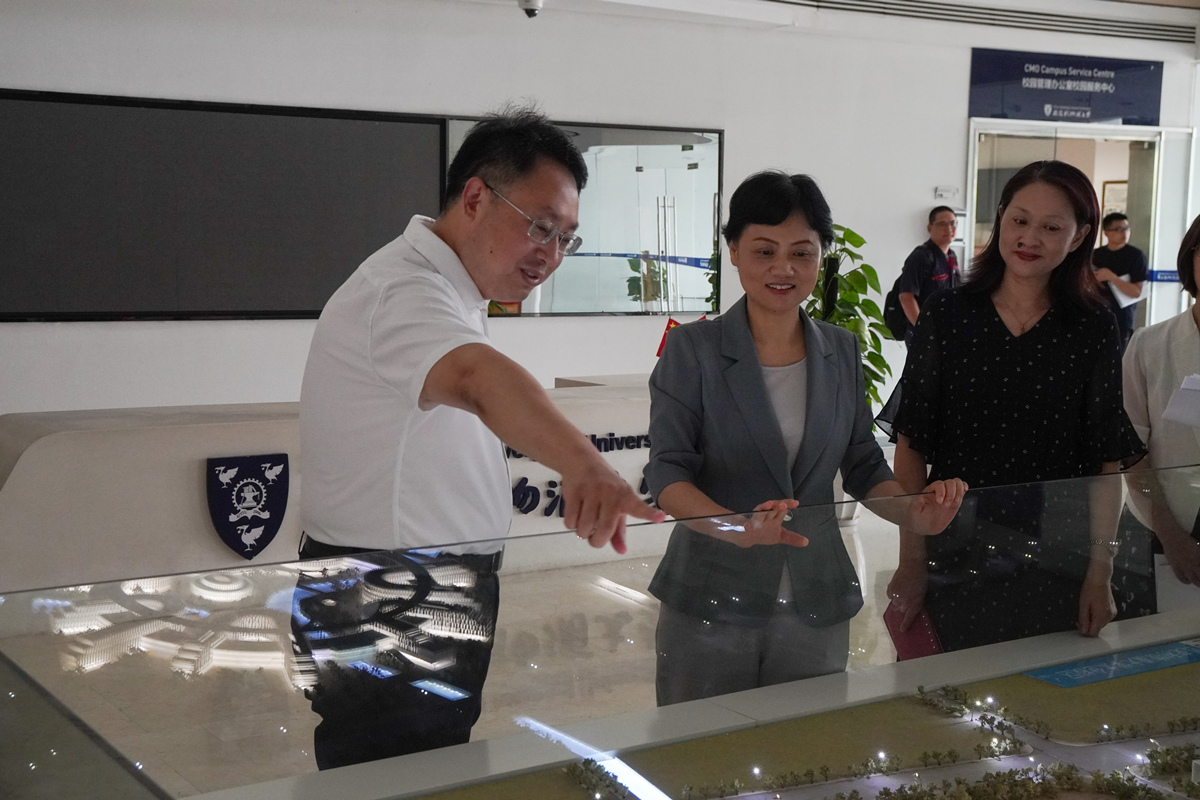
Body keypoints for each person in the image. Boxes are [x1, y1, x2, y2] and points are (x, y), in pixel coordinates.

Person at [295, 106, 664, 768]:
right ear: (475, 197)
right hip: (394, 591)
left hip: (416, 583)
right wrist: (585, 465)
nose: (551, 254)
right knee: (397, 774)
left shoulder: (446, 288)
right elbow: (478, 378)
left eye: (566, 238)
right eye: (540, 227)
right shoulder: (402, 291)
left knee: (425, 761)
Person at [644, 170, 966, 706]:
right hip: (710, 593)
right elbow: (667, 472)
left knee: (805, 742)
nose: (783, 268)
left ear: (821, 257)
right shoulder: (692, 350)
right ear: (733, 251)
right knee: (701, 746)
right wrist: (735, 527)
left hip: (817, 596)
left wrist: (913, 512)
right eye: (764, 251)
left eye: (801, 253)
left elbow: (862, 462)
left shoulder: (840, 349)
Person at [882, 160, 1146, 653]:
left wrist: (1100, 572)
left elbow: (1105, 465)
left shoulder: (1092, 327)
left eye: (1051, 227)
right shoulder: (948, 314)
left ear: (1079, 235)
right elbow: (911, 448)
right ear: (1001, 217)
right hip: (955, 543)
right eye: (1020, 220)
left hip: (1059, 552)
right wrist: (911, 561)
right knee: (947, 690)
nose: (1030, 238)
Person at [1123, 213, 1200, 590]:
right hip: (1165, 524)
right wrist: (1171, 535)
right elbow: (1130, 450)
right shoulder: (1149, 345)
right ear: (1191, 257)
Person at [895, 206, 961, 340]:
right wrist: (925, 330)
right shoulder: (920, 256)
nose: (949, 228)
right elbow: (906, 296)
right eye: (942, 224)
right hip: (925, 334)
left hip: (946, 330)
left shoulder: (951, 256)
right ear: (930, 228)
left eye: (952, 223)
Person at [1093, 212, 1149, 351]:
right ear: (1106, 233)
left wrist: (1112, 277)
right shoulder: (1095, 255)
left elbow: (1137, 292)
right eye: (1119, 229)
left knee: (1119, 359)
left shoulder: (1135, 256)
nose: (1124, 233)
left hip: (1122, 319)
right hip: (1095, 316)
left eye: (1127, 228)